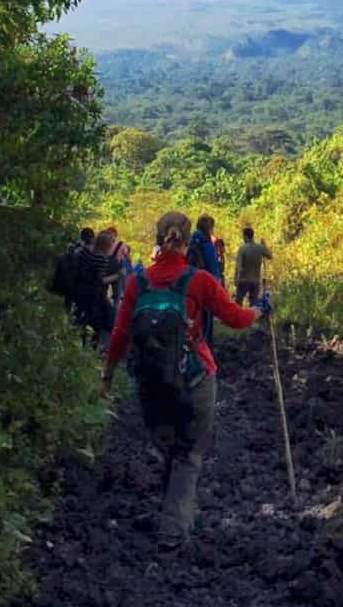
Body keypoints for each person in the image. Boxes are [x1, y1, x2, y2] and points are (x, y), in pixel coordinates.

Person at [100, 211, 272, 551]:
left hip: (151, 383)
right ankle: (173, 529)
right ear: (187, 238)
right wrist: (260, 310)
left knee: (168, 448)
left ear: (158, 237)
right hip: (194, 378)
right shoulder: (200, 281)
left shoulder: (138, 282)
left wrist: (107, 377)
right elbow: (236, 318)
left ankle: (174, 511)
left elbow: (119, 334)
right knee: (189, 455)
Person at [187, 215, 225, 347]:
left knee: (193, 321)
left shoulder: (190, 242)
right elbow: (214, 271)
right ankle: (205, 351)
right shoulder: (207, 245)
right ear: (209, 228)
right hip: (204, 287)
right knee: (206, 321)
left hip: (188, 287)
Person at [49, 227, 95, 326]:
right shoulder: (87, 252)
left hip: (68, 281)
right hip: (78, 284)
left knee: (68, 306)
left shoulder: (72, 247)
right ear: (91, 238)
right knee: (77, 310)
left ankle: (64, 326)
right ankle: (72, 327)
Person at [234, 226, 273, 306]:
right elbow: (270, 256)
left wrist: (236, 278)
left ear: (245, 236)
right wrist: (264, 245)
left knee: (238, 302)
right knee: (254, 303)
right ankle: (252, 318)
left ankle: (238, 318)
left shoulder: (243, 248)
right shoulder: (259, 247)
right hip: (255, 280)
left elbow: (238, 265)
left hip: (243, 279)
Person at [101, 226, 132, 305]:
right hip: (116, 271)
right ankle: (115, 312)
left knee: (103, 293)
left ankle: (106, 309)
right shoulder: (121, 244)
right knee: (117, 295)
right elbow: (128, 258)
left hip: (105, 270)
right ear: (116, 235)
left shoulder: (102, 244)